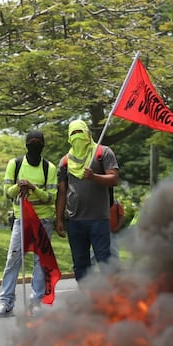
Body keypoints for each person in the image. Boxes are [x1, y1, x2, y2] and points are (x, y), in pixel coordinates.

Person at [0, 130, 57, 317]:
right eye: (32, 142)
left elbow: (51, 198)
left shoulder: (49, 168)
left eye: (38, 142)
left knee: (40, 262)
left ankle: (36, 303)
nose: (35, 145)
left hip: (43, 220)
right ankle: (6, 302)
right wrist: (18, 186)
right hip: (21, 219)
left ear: (42, 145)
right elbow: (7, 193)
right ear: (26, 144)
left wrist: (33, 189)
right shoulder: (15, 164)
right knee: (13, 259)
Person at [55, 119, 119, 282]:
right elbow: (62, 192)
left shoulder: (103, 152)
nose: (77, 137)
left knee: (104, 260)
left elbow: (114, 179)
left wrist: (94, 176)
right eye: (73, 134)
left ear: (88, 134)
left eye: (80, 132)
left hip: (98, 218)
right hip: (75, 220)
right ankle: (86, 299)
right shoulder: (65, 161)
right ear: (69, 138)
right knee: (80, 263)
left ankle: (110, 298)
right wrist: (59, 219)